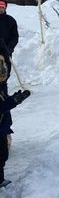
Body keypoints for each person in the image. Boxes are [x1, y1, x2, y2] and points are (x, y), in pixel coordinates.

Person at [0, 58, 30, 188]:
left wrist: (15, 97)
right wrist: (15, 101)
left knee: (2, 155)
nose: (4, 78)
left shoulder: (1, 87)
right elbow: (1, 107)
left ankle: (0, 179)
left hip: (2, 129)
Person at [0, 0, 19, 96]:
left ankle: (4, 95)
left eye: (2, 7)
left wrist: (10, 48)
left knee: (4, 75)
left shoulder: (10, 21)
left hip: (5, 52)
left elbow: (14, 37)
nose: (0, 9)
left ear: (5, 8)